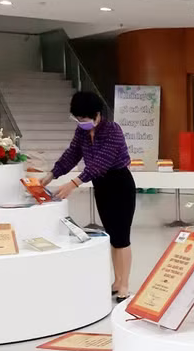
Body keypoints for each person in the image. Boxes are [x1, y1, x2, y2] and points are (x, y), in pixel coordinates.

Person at [41, 91, 136, 301]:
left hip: (119, 183)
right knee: (112, 235)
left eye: (83, 119)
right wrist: (52, 174)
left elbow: (101, 162)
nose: (81, 123)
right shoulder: (82, 132)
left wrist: (73, 183)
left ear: (96, 114)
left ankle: (125, 285)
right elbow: (72, 154)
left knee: (122, 236)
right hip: (100, 185)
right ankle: (117, 280)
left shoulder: (113, 131)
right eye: (78, 119)